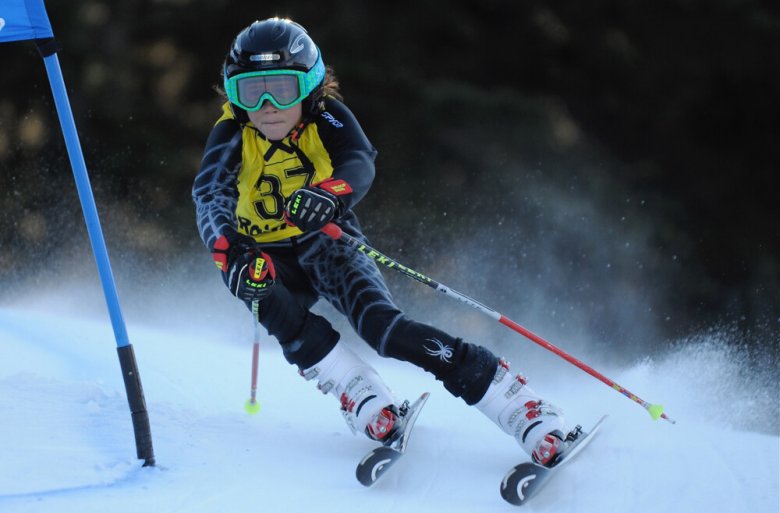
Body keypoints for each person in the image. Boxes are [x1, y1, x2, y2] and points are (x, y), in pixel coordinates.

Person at [192, 17, 568, 465]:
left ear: (309, 85)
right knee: (261, 292)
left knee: (383, 331)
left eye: (283, 89)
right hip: (267, 252)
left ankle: (516, 404)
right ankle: (359, 390)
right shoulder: (234, 130)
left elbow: (358, 160)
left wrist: (330, 194)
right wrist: (230, 252)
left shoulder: (326, 114)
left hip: (325, 240)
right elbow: (209, 192)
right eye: (252, 91)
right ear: (235, 95)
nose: (269, 106)